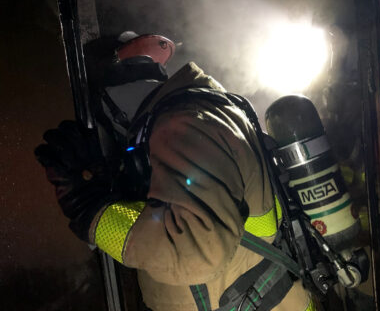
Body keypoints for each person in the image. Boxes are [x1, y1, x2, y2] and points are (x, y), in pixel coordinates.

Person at [35, 33, 316, 311]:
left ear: (113, 102)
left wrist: (90, 209)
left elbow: (197, 252)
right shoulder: (198, 117)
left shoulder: (182, 125)